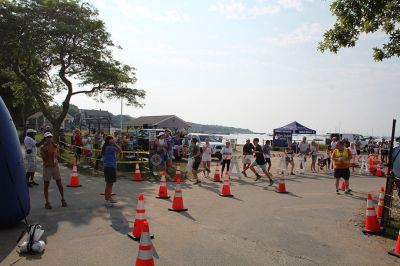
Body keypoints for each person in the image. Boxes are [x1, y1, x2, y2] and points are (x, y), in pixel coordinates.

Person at [40, 132, 67, 209]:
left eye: (50, 137)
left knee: (59, 183)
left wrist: (57, 150)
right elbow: (44, 158)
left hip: (55, 167)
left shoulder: (54, 146)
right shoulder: (42, 147)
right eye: (48, 137)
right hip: (47, 167)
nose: (49, 138)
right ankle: (47, 202)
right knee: (46, 185)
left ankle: (63, 199)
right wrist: (46, 151)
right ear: (45, 138)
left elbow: (57, 155)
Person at [102, 135, 122, 207]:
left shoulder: (107, 147)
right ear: (109, 141)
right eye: (112, 139)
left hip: (109, 167)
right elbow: (120, 150)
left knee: (110, 184)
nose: (114, 140)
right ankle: (106, 200)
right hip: (110, 167)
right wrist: (115, 144)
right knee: (109, 184)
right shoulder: (109, 148)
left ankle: (109, 197)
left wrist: (113, 143)